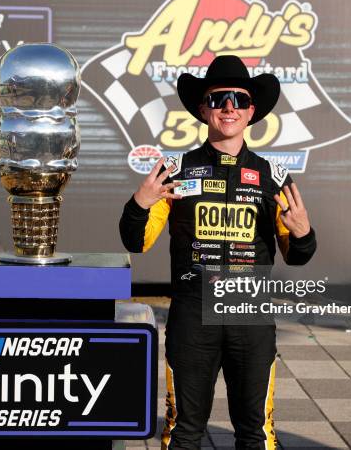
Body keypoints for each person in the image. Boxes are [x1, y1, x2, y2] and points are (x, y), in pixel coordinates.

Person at [119, 55, 316, 450]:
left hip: (250, 317)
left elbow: (297, 254)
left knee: (256, 433)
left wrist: (304, 234)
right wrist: (139, 204)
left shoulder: (272, 176)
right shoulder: (175, 170)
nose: (229, 107)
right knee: (184, 431)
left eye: (238, 100)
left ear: (251, 112)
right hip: (193, 314)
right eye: (219, 98)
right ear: (203, 108)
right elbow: (135, 242)